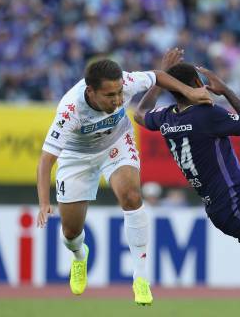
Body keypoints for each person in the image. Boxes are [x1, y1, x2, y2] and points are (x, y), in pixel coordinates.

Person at [35, 49, 212, 304]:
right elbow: (45, 160)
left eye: (119, 93)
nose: (118, 100)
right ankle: (78, 256)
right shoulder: (70, 110)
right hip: (76, 159)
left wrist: (190, 92)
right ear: (90, 91)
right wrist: (43, 202)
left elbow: (158, 76)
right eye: (109, 95)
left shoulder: (126, 82)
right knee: (71, 231)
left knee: (131, 196)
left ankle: (141, 278)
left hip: (115, 144)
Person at [134, 60, 240, 317]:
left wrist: (159, 77)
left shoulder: (166, 117)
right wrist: (225, 90)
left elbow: (140, 113)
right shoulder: (207, 115)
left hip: (226, 202)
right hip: (237, 203)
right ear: (198, 85)